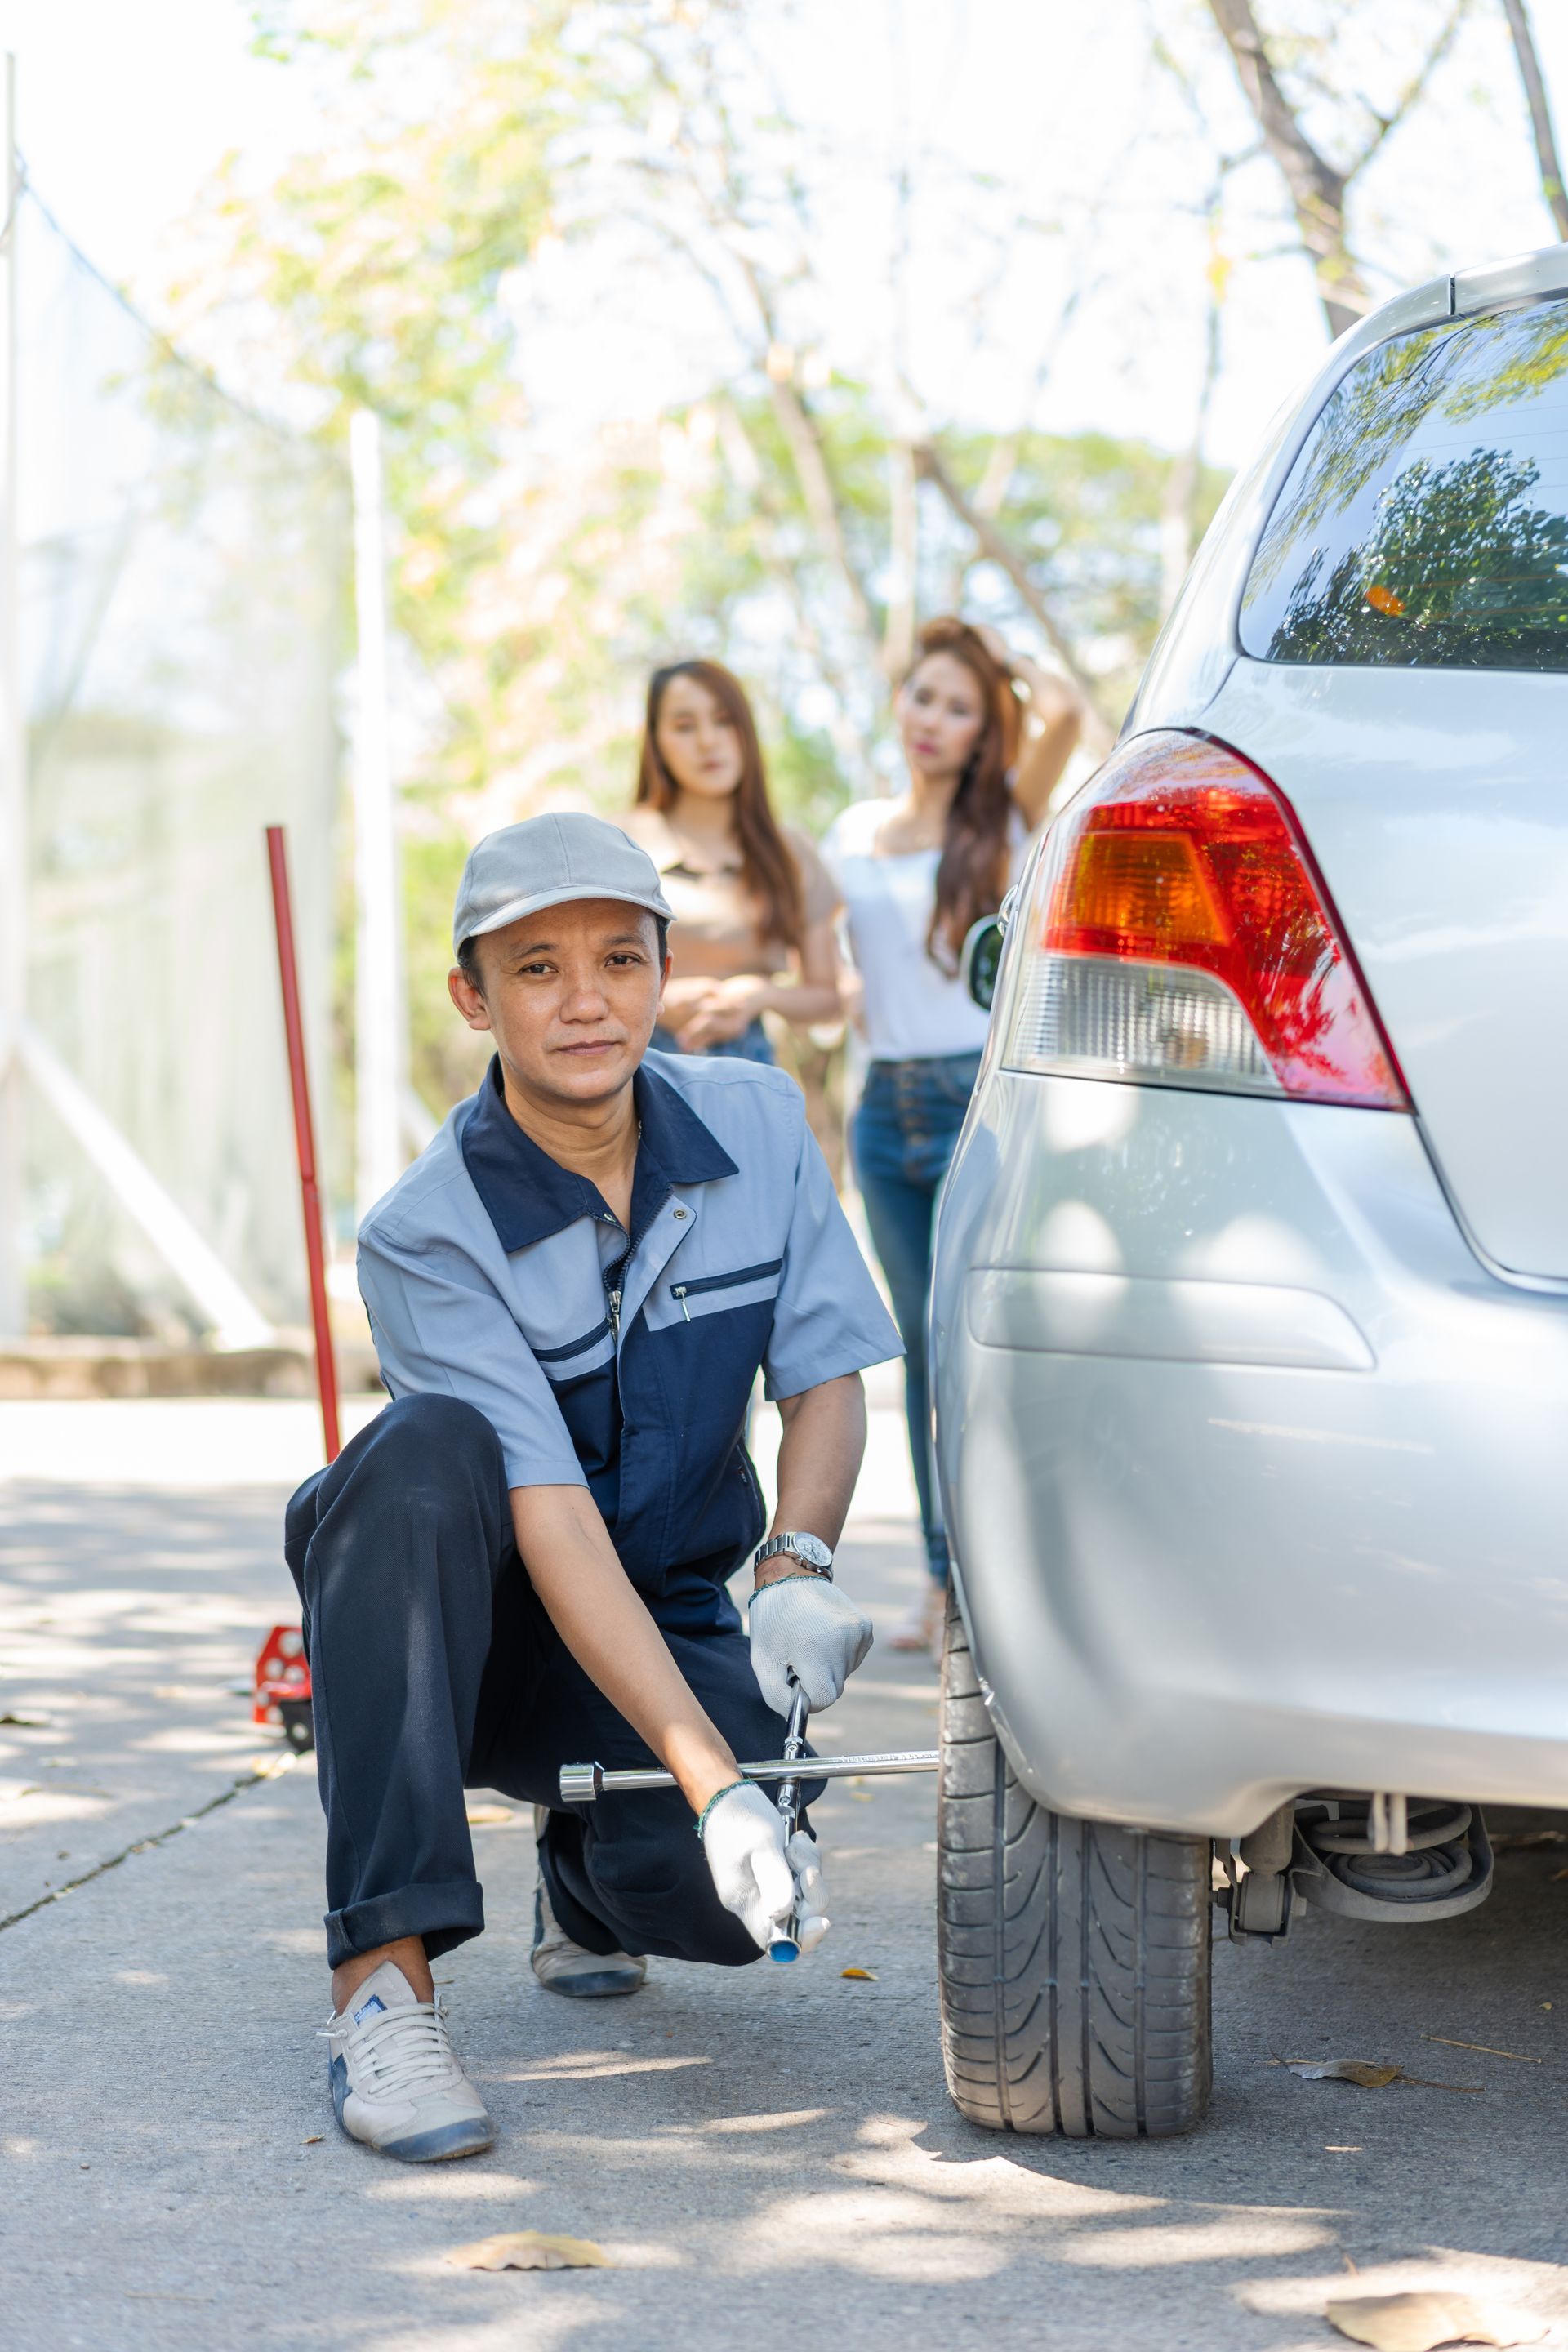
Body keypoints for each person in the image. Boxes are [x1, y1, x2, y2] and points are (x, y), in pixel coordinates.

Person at [283, 811, 901, 2163]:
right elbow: (549, 1515)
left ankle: (586, 1874)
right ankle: (381, 1987)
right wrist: (706, 1774)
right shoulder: (426, 1233)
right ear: (474, 997)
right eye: (539, 970)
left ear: (663, 973)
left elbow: (828, 1375)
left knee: (722, 1903)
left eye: (618, 961)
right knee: (420, 1453)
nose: (585, 1002)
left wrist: (796, 1563)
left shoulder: (758, 1121)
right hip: (463, 1641)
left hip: (660, 1615)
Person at [822, 620, 1082, 1654]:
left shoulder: (1012, 821)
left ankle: (1024, 1582)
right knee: (924, 1349)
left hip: (986, 1101)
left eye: (958, 707)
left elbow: (1062, 706)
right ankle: (944, 1588)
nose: (932, 721)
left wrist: (989, 648)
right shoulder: (852, 831)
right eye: (922, 696)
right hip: (885, 1112)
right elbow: (839, 971)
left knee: (999, 1341)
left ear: (986, 731)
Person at [621, 660, 841, 1062]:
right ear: (656, 741)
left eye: (724, 721)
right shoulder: (617, 845)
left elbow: (828, 998)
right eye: (685, 726)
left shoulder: (788, 851)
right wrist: (656, 999)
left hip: (749, 1065)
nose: (708, 741)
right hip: (637, 1068)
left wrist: (759, 995)